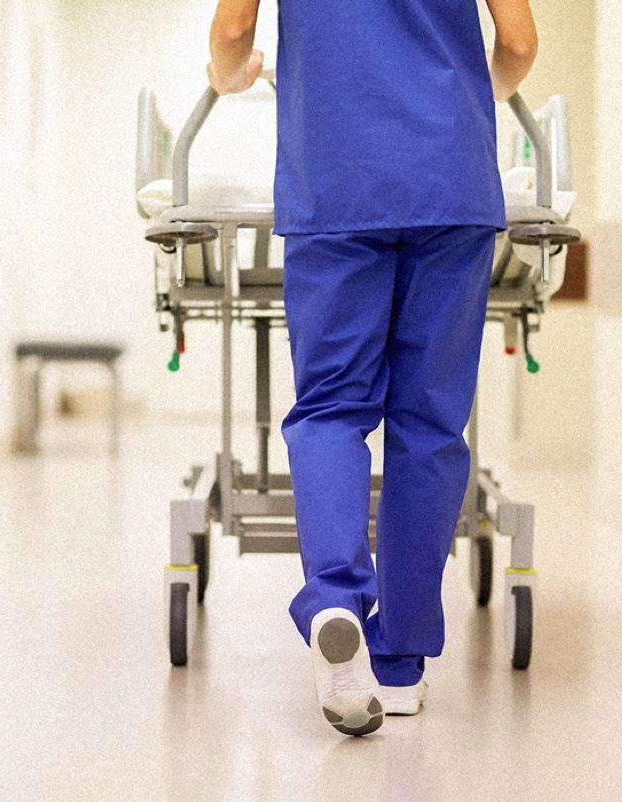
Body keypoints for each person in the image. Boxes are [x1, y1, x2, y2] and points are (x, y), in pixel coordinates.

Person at [206, 0, 538, 736]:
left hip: (335, 181)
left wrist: (230, 77)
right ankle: (400, 662)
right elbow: (518, 42)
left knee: (330, 409)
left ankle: (334, 596)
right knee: (429, 423)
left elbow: (233, 34)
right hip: (452, 180)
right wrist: (468, 97)